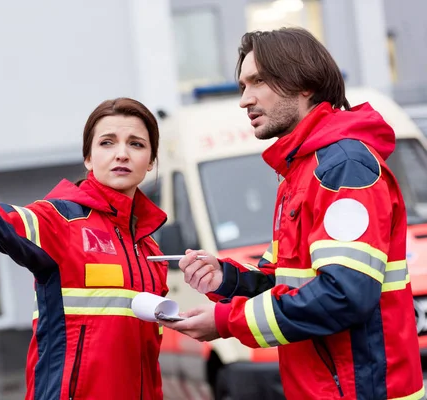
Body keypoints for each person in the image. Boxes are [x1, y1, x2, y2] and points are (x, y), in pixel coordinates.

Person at [162, 28, 424, 399]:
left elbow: (343, 295)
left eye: (258, 82)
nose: (245, 100)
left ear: (304, 84)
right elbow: (286, 282)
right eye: (242, 86)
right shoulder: (301, 172)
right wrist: (226, 279)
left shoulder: (342, 168)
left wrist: (225, 321)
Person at [0, 98, 169, 400]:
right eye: (107, 143)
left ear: (151, 160)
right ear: (88, 157)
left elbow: (149, 356)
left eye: (136, 144)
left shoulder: (150, 250)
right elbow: (3, 222)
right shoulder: (61, 220)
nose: (122, 154)